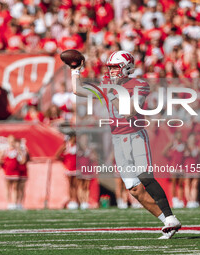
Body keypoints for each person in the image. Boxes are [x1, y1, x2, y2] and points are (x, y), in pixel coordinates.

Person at [71, 50, 181, 239]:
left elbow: (129, 111)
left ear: (126, 68)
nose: (112, 71)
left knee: (145, 177)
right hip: (117, 138)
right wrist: (75, 70)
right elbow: (77, 89)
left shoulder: (139, 85)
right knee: (134, 189)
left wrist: (111, 93)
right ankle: (168, 222)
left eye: (115, 67)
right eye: (110, 68)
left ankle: (170, 217)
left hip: (135, 135)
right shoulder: (108, 85)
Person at [0, 135, 23, 210]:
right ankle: (9, 203)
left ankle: (14, 203)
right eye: (10, 141)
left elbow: (22, 160)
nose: (12, 143)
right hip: (7, 172)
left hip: (15, 172)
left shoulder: (17, 150)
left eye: (13, 141)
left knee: (15, 188)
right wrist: (4, 164)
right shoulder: (5, 150)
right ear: (8, 141)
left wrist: (20, 151)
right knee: (8, 188)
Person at [162, 130, 185, 208]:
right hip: (174, 166)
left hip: (181, 166)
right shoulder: (172, 143)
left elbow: (185, 154)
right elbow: (164, 152)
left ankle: (180, 200)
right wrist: (170, 157)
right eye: (178, 135)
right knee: (174, 183)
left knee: (181, 184)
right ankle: (174, 200)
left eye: (180, 135)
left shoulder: (183, 144)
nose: (180, 136)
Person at [55, 133, 79, 209]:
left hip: (76, 168)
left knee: (75, 185)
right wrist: (64, 161)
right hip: (69, 168)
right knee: (70, 185)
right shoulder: (66, 145)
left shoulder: (77, 146)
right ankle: (71, 200)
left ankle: (76, 200)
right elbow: (57, 155)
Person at [184, 133, 200, 208]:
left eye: (193, 139)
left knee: (195, 184)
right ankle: (189, 201)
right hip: (187, 168)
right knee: (187, 184)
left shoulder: (198, 149)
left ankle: (193, 201)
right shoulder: (185, 148)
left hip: (195, 168)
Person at [16, 138, 29, 210]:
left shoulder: (24, 151)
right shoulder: (13, 151)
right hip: (16, 171)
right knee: (16, 188)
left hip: (23, 171)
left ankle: (20, 203)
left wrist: (20, 151)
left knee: (21, 188)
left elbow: (23, 161)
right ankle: (15, 202)